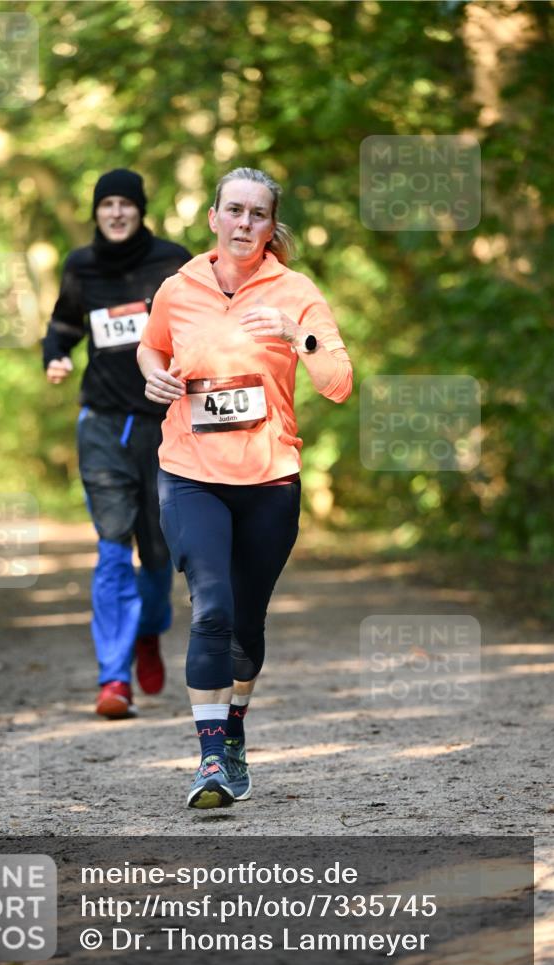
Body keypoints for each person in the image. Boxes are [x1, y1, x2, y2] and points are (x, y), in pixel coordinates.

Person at [137, 166, 353, 807]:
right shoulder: (179, 288)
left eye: (258, 214)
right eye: (234, 210)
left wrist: (296, 335)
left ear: (270, 225)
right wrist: (154, 375)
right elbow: (151, 347)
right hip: (190, 472)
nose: (244, 223)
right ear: (214, 217)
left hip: (269, 478)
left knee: (246, 624)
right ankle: (210, 762)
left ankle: (232, 733)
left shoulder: (296, 291)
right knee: (212, 608)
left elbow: (339, 383)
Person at [43, 168, 191, 718]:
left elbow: (202, 325)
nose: (116, 212)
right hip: (103, 423)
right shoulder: (81, 265)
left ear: (140, 209)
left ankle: (148, 629)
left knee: (158, 552)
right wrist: (55, 356)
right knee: (111, 546)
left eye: (125, 203)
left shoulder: (173, 261)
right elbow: (64, 324)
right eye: (106, 204)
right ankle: (113, 678)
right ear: (96, 212)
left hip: (163, 425)